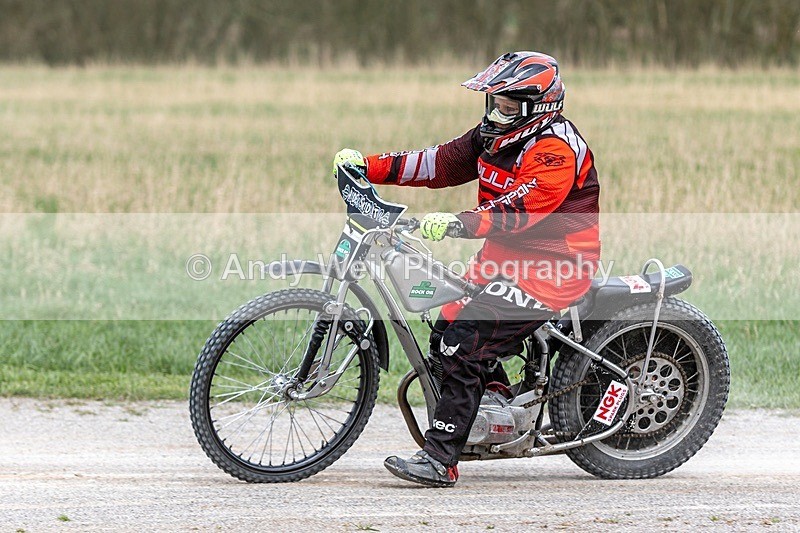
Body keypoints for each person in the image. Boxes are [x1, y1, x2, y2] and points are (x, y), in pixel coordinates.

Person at [332, 51, 600, 487]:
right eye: (495, 103)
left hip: (553, 269)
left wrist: (460, 223)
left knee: (462, 343)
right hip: (502, 259)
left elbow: (521, 208)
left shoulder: (554, 150)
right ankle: (493, 408)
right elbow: (439, 163)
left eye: (508, 106)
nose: (497, 113)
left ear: (539, 107)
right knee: (445, 327)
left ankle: (440, 460)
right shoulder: (494, 135)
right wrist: (368, 165)